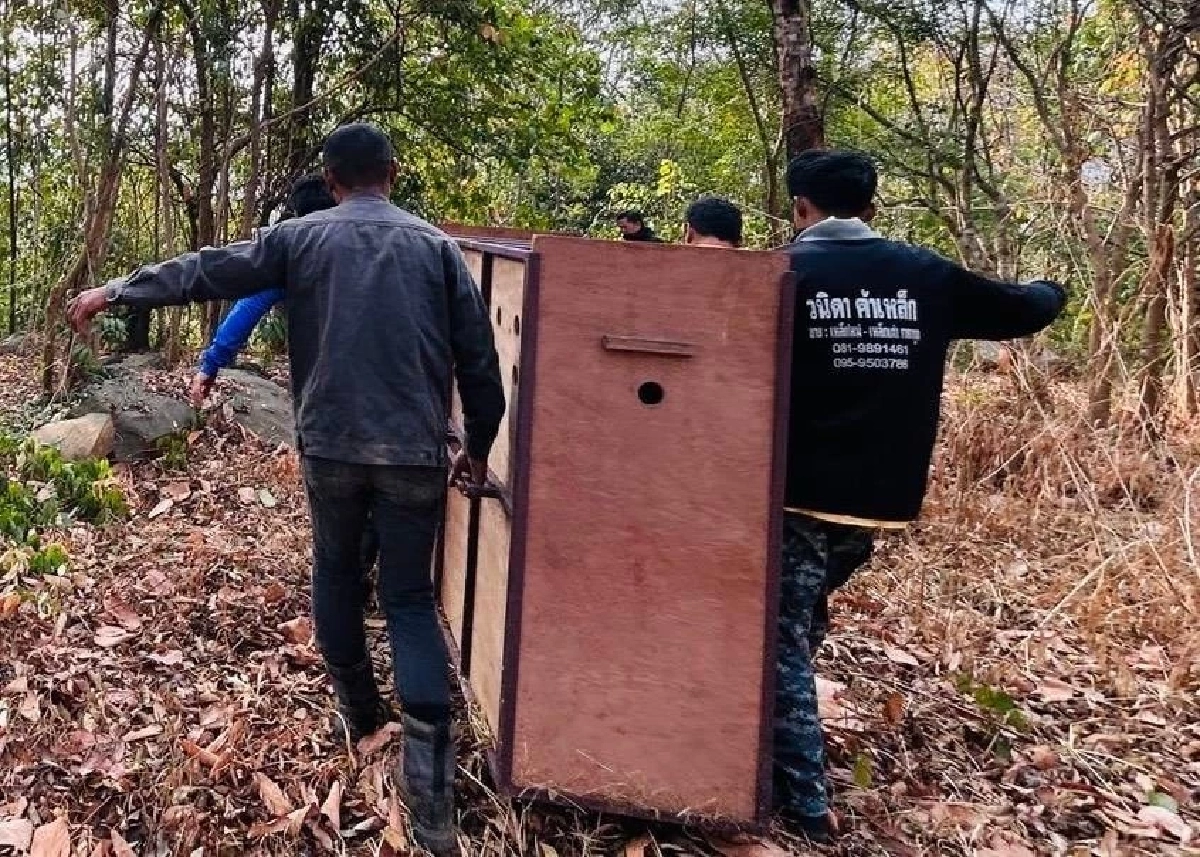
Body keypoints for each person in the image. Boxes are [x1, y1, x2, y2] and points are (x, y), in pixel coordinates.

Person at [68, 122, 505, 857]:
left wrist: (115, 290)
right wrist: (479, 449)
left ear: (331, 182)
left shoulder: (299, 239)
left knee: (334, 571)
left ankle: (361, 715)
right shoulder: (435, 249)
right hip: (412, 453)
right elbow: (481, 365)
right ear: (392, 173)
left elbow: (206, 270)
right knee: (404, 596)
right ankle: (431, 799)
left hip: (330, 446)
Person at [775, 149, 1065, 842]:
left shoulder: (782, 271)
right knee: (801, 612)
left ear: (800, 208)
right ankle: (778, 734)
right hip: (880, 497)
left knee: (778, 641)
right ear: (872, 207)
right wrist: (1053, 286)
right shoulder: (924, 274)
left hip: (793, 493)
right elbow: (1023, 309)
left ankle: (804, 805)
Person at [189, 173, 382, 585]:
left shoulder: (296, 250)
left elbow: (247, 308)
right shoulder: (383, 245)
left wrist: (211, 363)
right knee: (379, 492)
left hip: (325, 401)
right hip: (392, 395)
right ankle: (365, 564)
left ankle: (349, 574)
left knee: (338, 497)